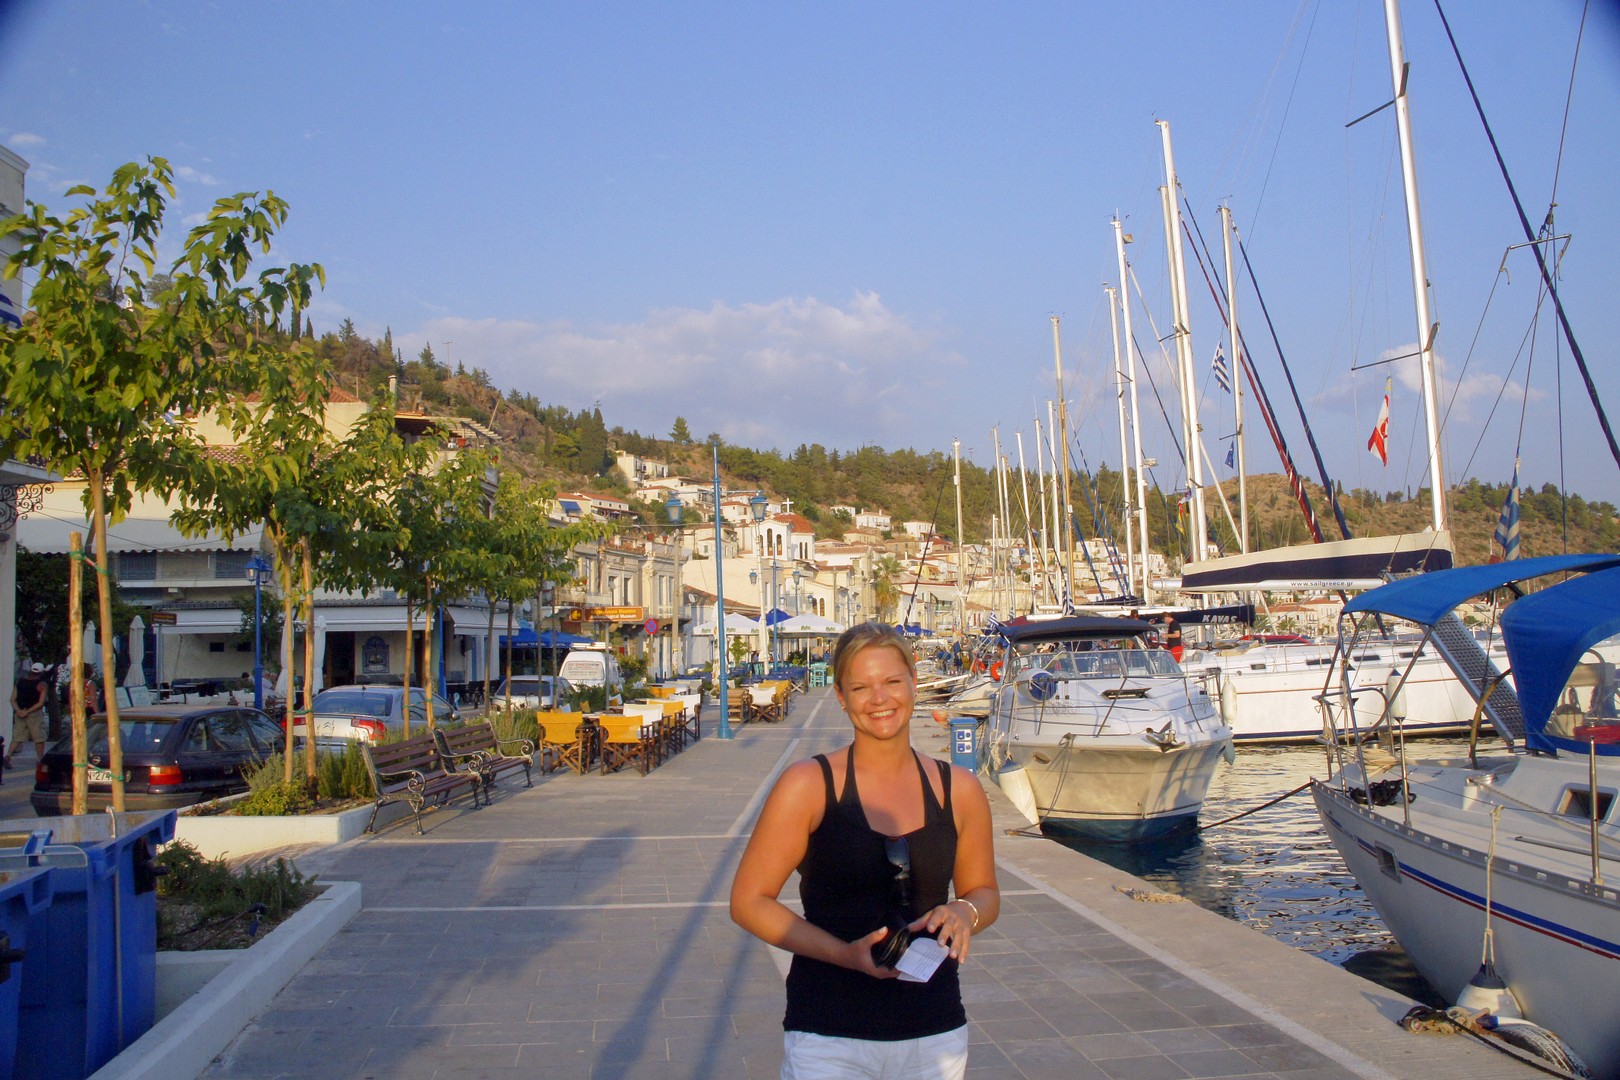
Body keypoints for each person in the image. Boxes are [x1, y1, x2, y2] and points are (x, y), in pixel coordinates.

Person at [731, 622, 999, 1079]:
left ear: (914, 682)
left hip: (933, 1035)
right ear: (841, 696)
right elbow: (748, 902)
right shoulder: (808, 785)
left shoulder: (959, 790)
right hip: (829, 1038)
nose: (879, 699)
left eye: (892, 681)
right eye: (860, 687)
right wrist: (844, 954)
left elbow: (984, 892)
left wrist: (963, 912)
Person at [7, 661, 49, 769]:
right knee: (39, 738)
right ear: (41, 672)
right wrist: (28, 711)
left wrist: (19, 711)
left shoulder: (20, 682)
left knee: (17, 737)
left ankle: (8, 756)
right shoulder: (42, 685)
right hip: (34, 714)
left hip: (20, 713)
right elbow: (40, 703)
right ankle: (40, 760)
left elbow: (12, 699)